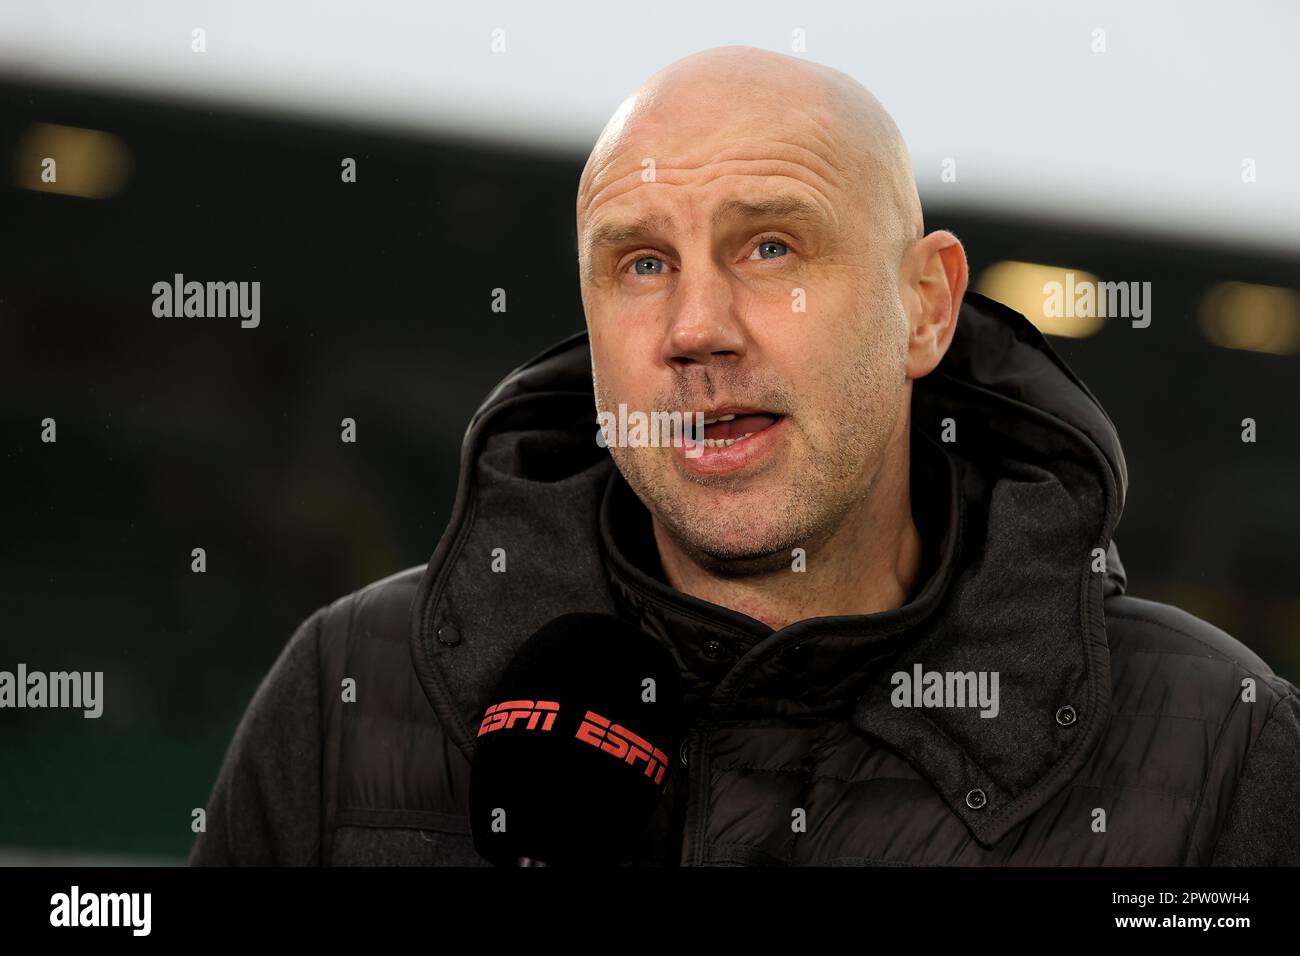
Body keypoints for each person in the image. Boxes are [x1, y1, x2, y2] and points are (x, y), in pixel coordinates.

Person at [190, 46, 1300, 866]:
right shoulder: (349, 687)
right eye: (638, 263)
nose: (695, 326)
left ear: (926, 307)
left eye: (771, 246)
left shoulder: (1217, 745)